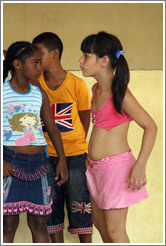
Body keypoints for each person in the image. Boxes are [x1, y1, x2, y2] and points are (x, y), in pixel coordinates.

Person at [79, 31, 157, 243]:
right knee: (100, 225)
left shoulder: (119, 93)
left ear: (104, 61)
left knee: (115, 232)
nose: (80, 61)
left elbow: (150, 126)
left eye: (86, 56)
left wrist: (140, 165)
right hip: (95, 168)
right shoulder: (96, 88)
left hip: (116, 170)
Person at [3, 41, 68, 243]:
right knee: (7, 224)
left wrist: (62, 160)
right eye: (35, 63)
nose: (40, 68)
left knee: (40, 225)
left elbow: (52, 127)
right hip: (10, 164)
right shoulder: (3, 93)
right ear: (17, 64)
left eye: (40, 63)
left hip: (39, 163)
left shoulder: (39, 93)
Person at [32, 32, 93, 243]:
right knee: (51, 207)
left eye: (39, 53)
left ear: (55, 53)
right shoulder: (35, 86)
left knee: (81, 206)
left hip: (76, 156)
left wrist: (72, 147)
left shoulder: (77, 85)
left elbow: (85, 120)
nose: (35, 59)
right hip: (45, 157)